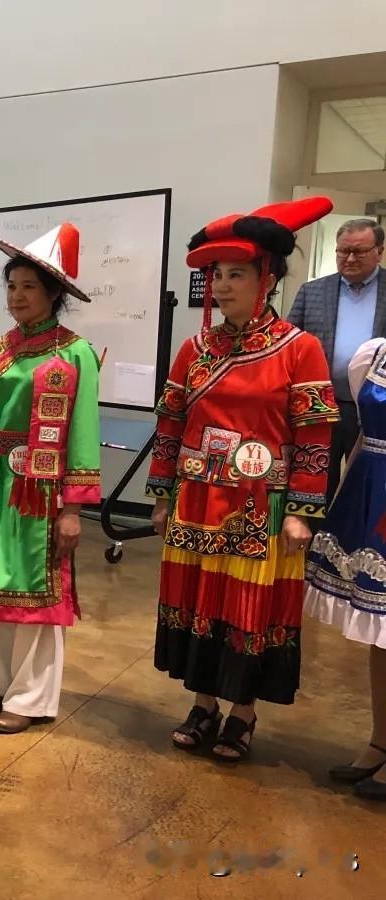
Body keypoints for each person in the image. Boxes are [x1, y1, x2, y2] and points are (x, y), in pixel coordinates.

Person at [147, 197, 339, 762]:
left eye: (237, 274)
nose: (223, 285)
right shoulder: (194, 349)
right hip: (196, 498)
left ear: (268, 279)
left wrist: (302, 510)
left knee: (246, 606)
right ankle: (203, 703)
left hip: (261, 503)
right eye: (218, 275)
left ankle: (243, 713)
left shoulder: (299, 349)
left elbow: (314, 435)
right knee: (198, 599)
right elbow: (171, 425)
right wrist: (161, 495)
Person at [0, 223, 101, 735]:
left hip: (42, 490)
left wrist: (73, 508)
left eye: (28, 287)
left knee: (37, 589)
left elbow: (83, 432)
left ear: (53, 293)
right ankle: (1, 680)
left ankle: (32, 697)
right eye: (11, 285)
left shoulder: (74, 353)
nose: (16, 296)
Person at [304, 337, 386, 800]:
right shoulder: (373, 355)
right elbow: (360, 438)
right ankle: (380, 742)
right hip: (371, 491)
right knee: (381, 635)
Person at [287, 218, 386, 504]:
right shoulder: (312, 291)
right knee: (316, 485)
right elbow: (289, 346)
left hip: (375, 410)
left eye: (359, 251)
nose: (350, 258)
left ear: (379, 251)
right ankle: (312, 533)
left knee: (366, 489)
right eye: (343, 251)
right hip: (321, 407)